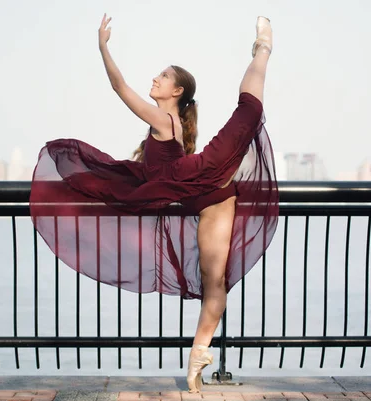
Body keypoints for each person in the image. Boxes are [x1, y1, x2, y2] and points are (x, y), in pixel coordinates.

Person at [29, 15, 278, 393]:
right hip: (213, 201)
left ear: (176, 91)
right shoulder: (171, 125)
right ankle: (198, 360)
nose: (156, 79)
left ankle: (263, 47)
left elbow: (118, 86)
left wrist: (103, 46)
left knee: (249, 111)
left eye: (163, 76)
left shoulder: (163, 119)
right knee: (215, 286)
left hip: (207, 177)